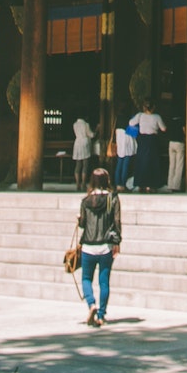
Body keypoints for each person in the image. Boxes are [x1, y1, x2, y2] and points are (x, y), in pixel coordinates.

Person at [78, 167, 121, 327]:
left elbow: (83, 224)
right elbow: (116, 221)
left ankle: (91, 304)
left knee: (86, 278)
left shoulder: (86, 200)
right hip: (106, 245)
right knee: (104, 282)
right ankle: (101, 315)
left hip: (88, 245)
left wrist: (79, 219)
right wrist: (117, 241)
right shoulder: (112, 199)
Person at [129, 101, 166, 193]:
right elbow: (163, 128)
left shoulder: (140, 115)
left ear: (144, 107)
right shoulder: (157, 117)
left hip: (143, 140)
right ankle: (152, 184)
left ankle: (140, 184)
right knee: (152, 161)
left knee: (141, 160)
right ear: (153, 107)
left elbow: (131, 123)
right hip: (152, 140)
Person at [71, 113, 96, 190]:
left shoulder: (75, 124)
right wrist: (96, 130)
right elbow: (91, 135)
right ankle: (83, 183)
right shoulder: (86, 124)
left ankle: (77, 184)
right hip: (84, 143)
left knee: (78, 164)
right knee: (85, 164)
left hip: (77, 142)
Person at [113, 116, 136, 191]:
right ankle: (123, 184)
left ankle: (117, 184)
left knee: (118, 166)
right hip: (128, 150)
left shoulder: (117, 129)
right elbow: (133, 140)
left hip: (120, 149)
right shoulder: (130, 129)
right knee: (125, 167)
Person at [165, 114, 186, 191]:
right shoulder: (182, 120)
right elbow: (185, 131)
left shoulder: (170, 120)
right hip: (179, 142)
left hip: (171, 143)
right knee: (179, 165)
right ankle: (176, 186)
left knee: (172, 165)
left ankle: (170, 184)